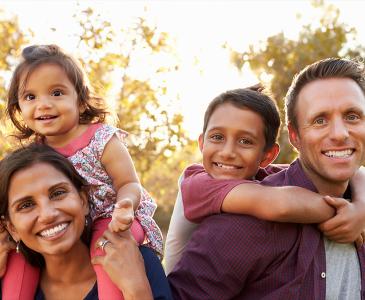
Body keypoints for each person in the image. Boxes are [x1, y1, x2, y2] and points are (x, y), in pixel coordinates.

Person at [168, 57, 365, 299]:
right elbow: (280, 205)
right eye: (320, 120)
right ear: (294, 136)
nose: (339, 134)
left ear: (267, 156)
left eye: (353, 116)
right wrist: (344, 213)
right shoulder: (240, 224)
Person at [2, 44, 163, 300]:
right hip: (65, 230)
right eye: (30, 97)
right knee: (17, 261)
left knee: (105, 254)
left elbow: (130, 183)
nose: (43, 105)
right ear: (18, 107)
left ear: (80, 97)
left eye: (56, 93)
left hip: (111, 219)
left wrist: (125, 208)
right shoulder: (34, 155)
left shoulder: (101, 139)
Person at [0, 143, 172, 300]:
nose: (48, 215)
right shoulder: (8, 285)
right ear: (12, 227)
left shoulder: (135, 262)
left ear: (83, 200)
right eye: (26, 205)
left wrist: (136, 289)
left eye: (58, 193)